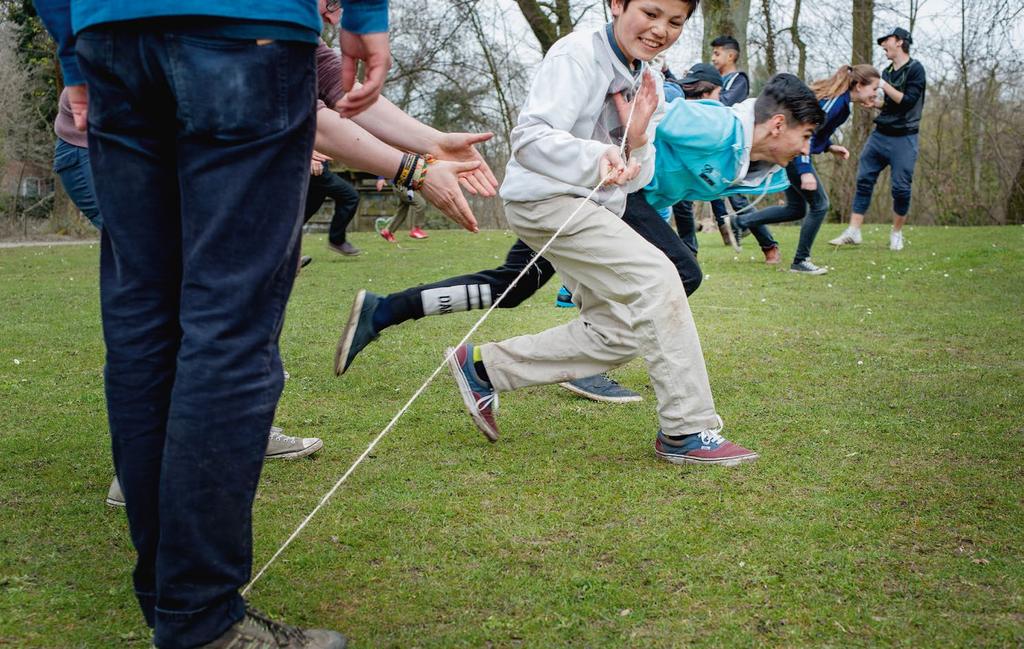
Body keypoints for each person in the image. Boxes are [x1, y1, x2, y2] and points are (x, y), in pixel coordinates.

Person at [34, 0, 389, 646]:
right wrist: (367, 12)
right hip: (241, 27)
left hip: (110, 32)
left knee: (144, 316)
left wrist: (70, 38)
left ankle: (171, 595)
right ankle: (197, 614)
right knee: (228, 321)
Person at [443, 0, 777, 467]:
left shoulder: (652, 80)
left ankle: (483, 368)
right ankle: (686, 429)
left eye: (676, 22)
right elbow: (530, 137)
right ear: (617, 4)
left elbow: (638, 179)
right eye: (651, 12)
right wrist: (597, 156)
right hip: (546, 201)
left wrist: (637, 140)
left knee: (619, 330)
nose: (661, 30)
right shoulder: (577, 53)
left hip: (597, 204)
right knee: (660, 278)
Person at [732, 64, 881, 275]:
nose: (875, 94)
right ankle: (801, 260)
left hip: (795, 154)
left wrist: (829, 147)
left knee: (796, 209)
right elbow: (803, 129)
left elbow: (816, 134)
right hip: (793, 154)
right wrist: (805, 169)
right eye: (874, 89)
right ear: (858, 85)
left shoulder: (841, 104)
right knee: (820, 205)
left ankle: (740, 221)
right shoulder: (836, 103)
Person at [830, 27, 926, 251]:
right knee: (863, 179)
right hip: (881, 135)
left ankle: (897, 233)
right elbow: (892, 104)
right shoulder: (887, 71)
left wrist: (882, 85)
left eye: (887, 41)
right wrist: (877, 104)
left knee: (901, 189)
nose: (883, 45)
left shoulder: (915, 69)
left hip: (905, 138)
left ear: (900, 42)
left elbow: (908, 101)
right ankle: (853, 231)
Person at [708, 35, 779, 262]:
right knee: (708, 188)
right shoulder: (714, 81)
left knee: (737, 198)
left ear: (731, 55)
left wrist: (707, 97)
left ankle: (769, 246)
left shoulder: (738, 79)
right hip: (713, 144)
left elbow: (724, 104)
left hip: (732, 147)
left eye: (717, 53)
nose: (713, 58)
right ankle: (727, 229)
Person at [668, 62, 723, 252]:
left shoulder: (693, 111)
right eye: (718, 93)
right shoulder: (673, 96)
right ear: (706, 91)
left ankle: (689, 252)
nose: (720, 99)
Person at [304, 159, 362, 256]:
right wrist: (312, 158)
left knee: (304, 211)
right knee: (350, 197)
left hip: (316, 166)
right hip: (315, 167)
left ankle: (279, 242)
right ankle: (336, 240)